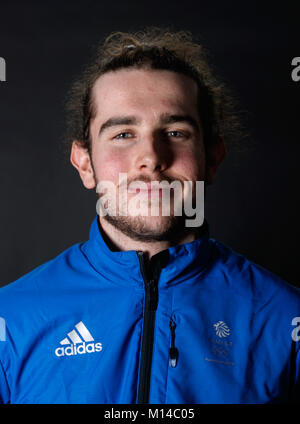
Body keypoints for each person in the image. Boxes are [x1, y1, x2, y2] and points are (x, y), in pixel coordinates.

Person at [0, 28, 299, 404]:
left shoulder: (287, 320)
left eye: (175, 132)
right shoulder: (9, 321)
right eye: (123, 134)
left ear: (213, 159)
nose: (152, 158)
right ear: (84, 163)